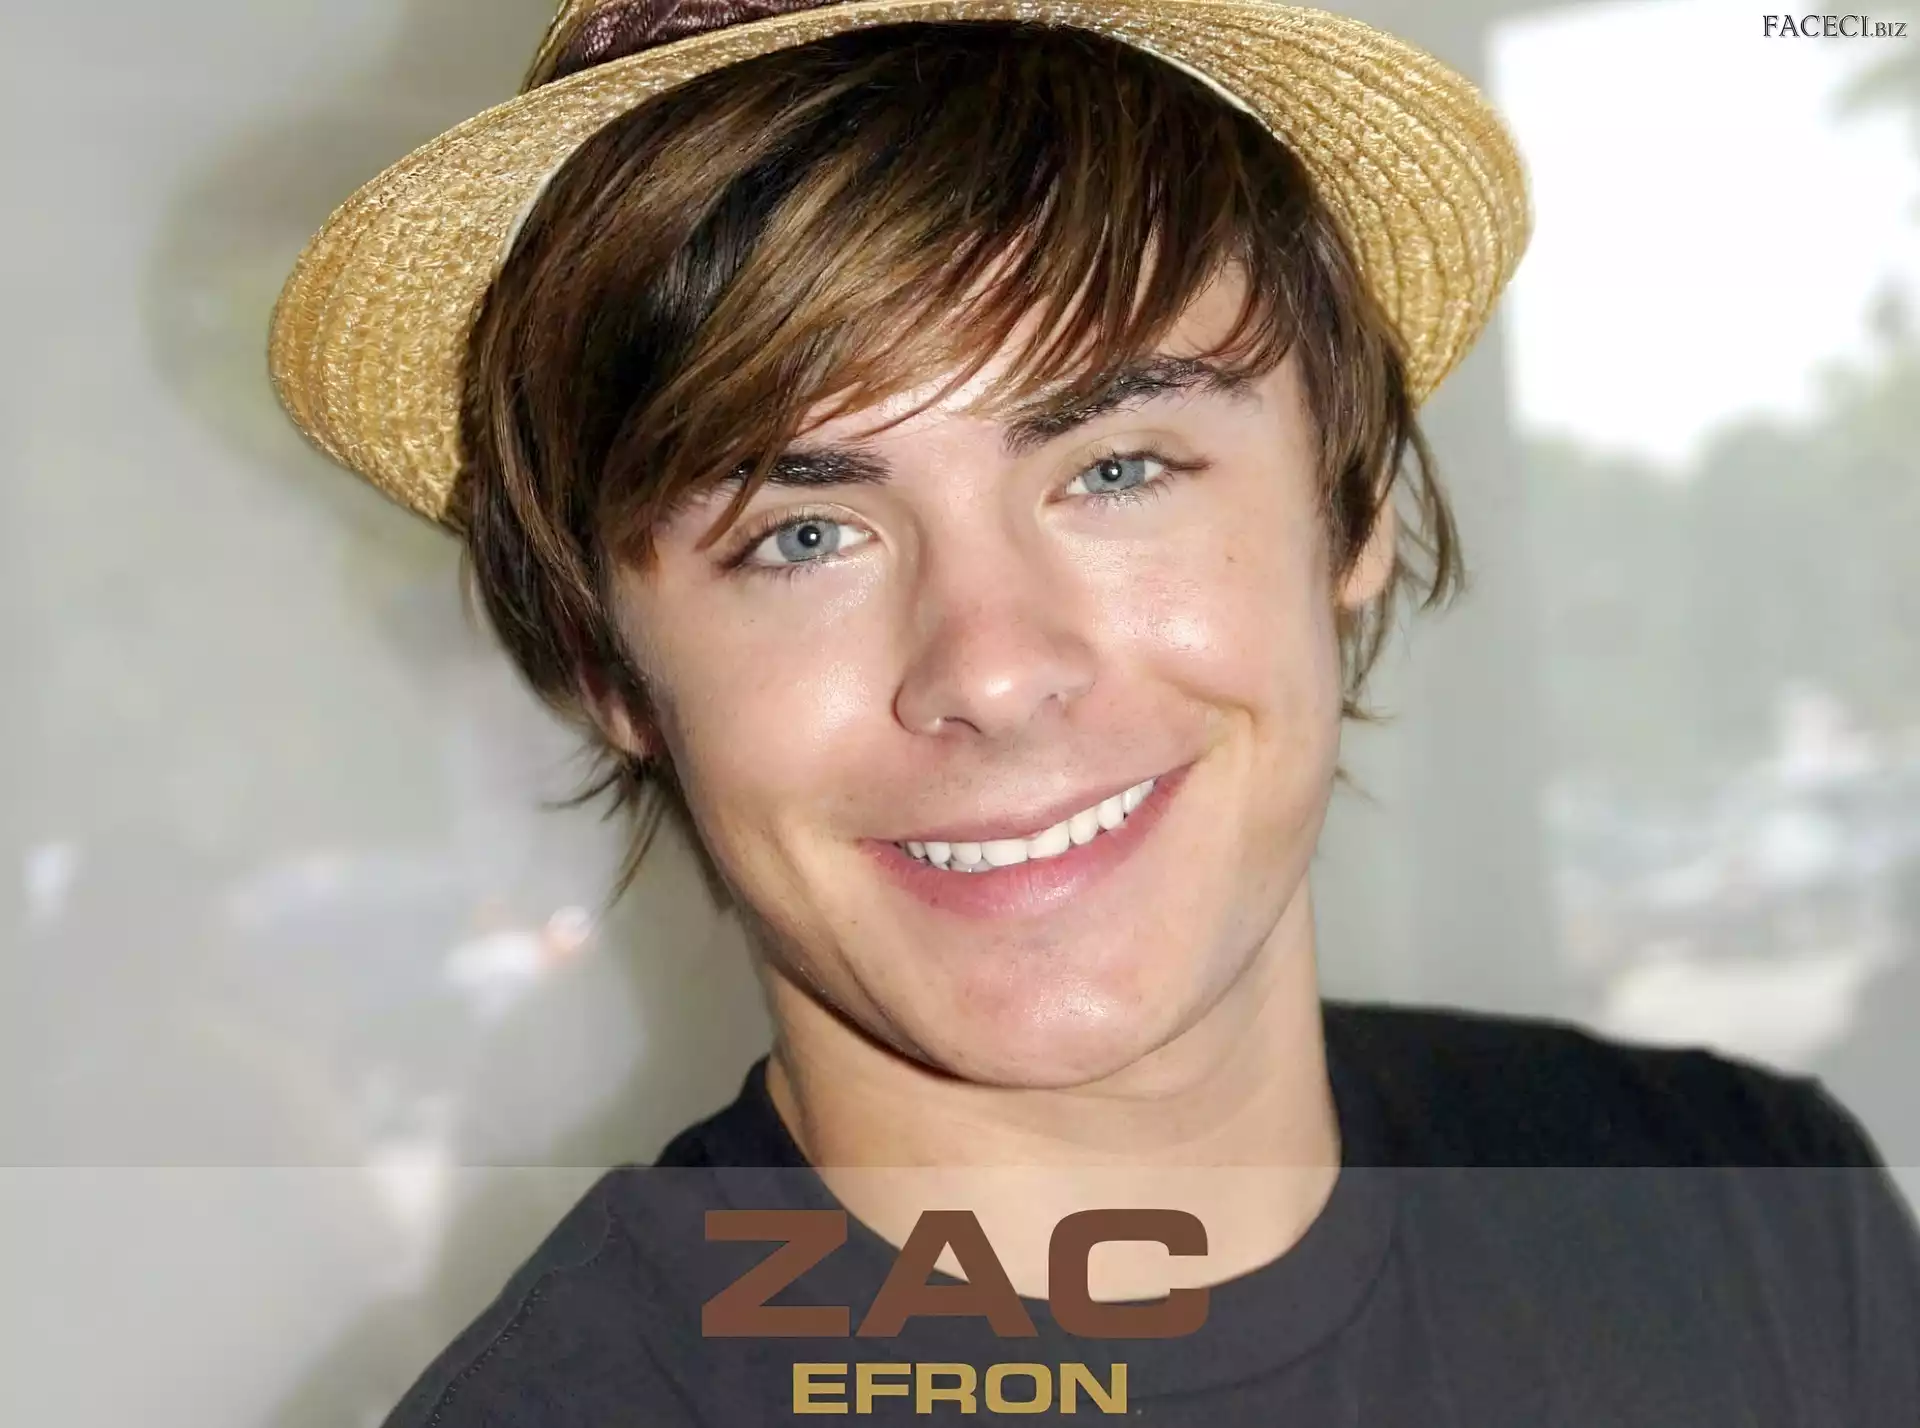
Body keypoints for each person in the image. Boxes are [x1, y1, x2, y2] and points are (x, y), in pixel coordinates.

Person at [269, 3, 1920, 1423]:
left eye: (1117, 468)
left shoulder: (1747, 1211)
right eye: (804, 534)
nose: (993, 667)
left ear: (1352, 509)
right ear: (608, 668)